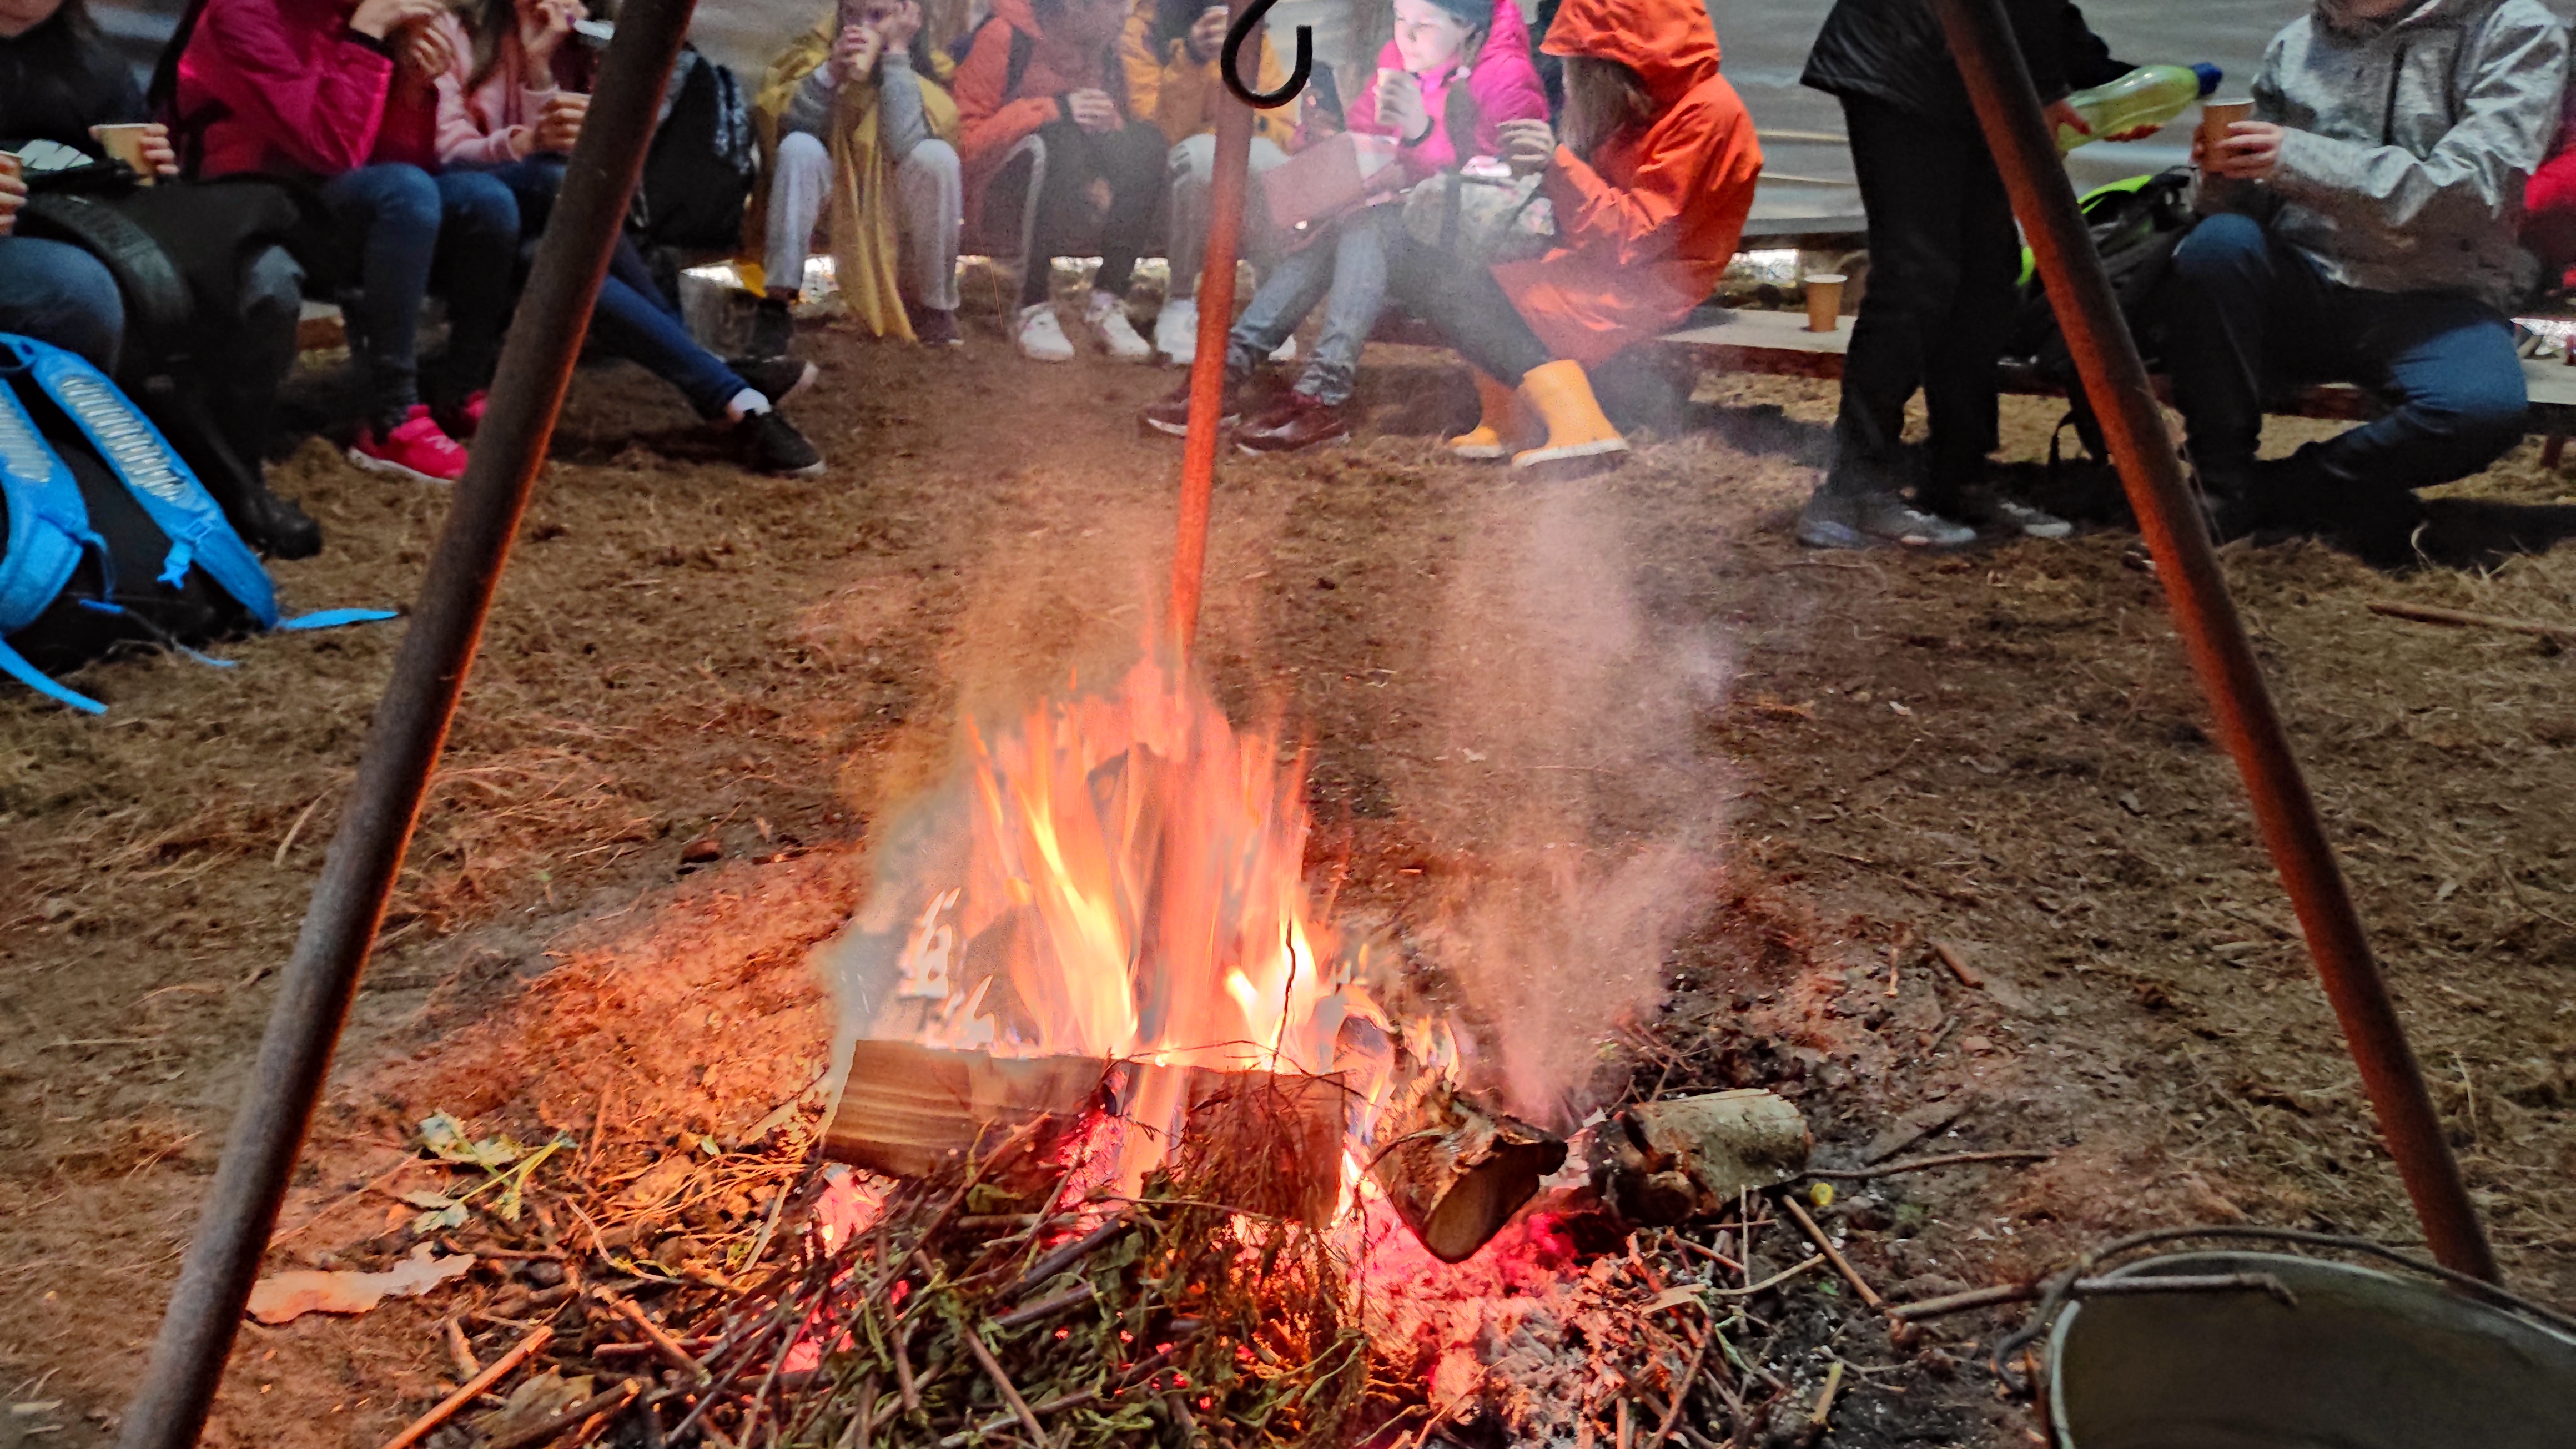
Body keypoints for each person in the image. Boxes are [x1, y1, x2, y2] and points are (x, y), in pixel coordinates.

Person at [2169, 0, 2564, 565]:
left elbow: (2472, 193)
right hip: (2306, 276)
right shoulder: (2298, 40)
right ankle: (2217, 489)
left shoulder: (2514, 30)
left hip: (2435, 293)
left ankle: (2282, 489)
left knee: (2479, 412)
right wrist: (2219, 176)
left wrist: (2296, 156)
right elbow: (2252, 204)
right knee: (2219, 244)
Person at [1796, 1, 2141, 550]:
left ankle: (1959, 474)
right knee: (1915, 277)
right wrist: (2050, 90)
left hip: (1967, 75)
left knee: (1987, 278)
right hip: (1904, 54)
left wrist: (2106, 80)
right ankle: (1852, 490)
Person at [435, 0, 826, 476]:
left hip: (544, 223)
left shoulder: (581, 42)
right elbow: (447, 151)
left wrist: (542, 67)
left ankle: (732, 395)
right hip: (471, 207)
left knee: (553, 256)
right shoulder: (458, 30)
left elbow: (595, 168)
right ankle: (724, 383)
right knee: (557, 187)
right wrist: (526, 142)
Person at [1365, 0, 1759, 471]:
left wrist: (1557, 164)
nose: (1570, 77)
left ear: (1615, 58)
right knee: (1431, 247)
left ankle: (1581, 423)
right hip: (1600, 262)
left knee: (1449, 274)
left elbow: (1636, 236)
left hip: (1644, 287)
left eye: (1579, 62)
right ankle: (1510, 417)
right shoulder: (1652, 101)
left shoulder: (1705, 115)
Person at [1138, 0, 1548, 450]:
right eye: (1401, 19)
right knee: (1351, 223)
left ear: (1468, 29)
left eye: (1424, 25)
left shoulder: (1504, 74)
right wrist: (1325, 137)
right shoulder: (1402, 60)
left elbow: (1501, 186)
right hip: (1402, 223)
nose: (1407, 34)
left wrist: (1418, 135)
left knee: (1366, 224)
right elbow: (1366, 135)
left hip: (1475, 246)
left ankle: (1313, 394)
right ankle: (1231, 376)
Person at [1, 0, 322, 555]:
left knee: (263, 273)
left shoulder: (88, 55)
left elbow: (134, 185)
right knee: (79, 289)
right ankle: (88, 496)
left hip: (87, 228)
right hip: (44, 255)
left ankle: (228, 481)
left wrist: (145, 166)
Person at [172, 0, 521, 484]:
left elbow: (396, 157)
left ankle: (458, 390)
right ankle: (391, 418)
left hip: (330, 196)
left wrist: (411, 87)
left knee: (485, 201)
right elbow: (330, 147)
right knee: (404, 192)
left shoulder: (348, 16)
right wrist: (368, 36)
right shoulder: (241, 14)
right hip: (250, 206)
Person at [953, 0, 1166, 362]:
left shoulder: (1105, 46)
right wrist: (1054, 108)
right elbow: (966, 142)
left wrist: (1109, 122)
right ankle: (1032, 306)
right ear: (1072, 7)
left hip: (1076, 196)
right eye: (1114, 3)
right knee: (1057, 140)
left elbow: (1124, 127)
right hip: (1001, 198)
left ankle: (1107, 303)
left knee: (1146, 143)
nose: (1125, 12)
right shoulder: (1006, 35)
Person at [748, 0, 964, 350]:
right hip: (832, 199)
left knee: (937, 158)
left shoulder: (929, 65)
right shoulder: (814, 50)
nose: (861, 26)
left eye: (878, 16)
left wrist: (895, 53)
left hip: (893, 206)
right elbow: (792, 126)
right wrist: (830, 72)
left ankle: (935, 306)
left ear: (907, 15)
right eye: (851, 13)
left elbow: (904, 142)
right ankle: (775, 304)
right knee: (798, 149)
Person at [1125, 0, 1295, 363]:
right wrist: (1191, 58)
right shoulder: (1145, 31)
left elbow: (1281, 122)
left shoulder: (1246, 25)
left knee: (1275, 165)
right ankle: (1182, 302)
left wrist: (1246, 126)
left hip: (1244, 149)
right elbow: (1157, 131)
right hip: (1164, 175)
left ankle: (1273, 305)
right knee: (1203, 158)